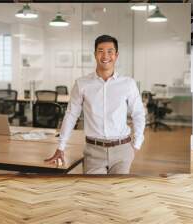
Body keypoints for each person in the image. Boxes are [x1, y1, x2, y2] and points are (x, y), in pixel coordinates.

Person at [45, 34, 145, 174]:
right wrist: (61, 146)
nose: (105, 56)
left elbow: (138, 113)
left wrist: (137, 144)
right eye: (100, 51)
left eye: (110, 51)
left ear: (116, 55)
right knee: (94, 193)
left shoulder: (128, 83)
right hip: (93, 151)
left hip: (122, 150)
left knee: (118, 194)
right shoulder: (82, 84)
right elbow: (71, 115)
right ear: (95, 54)